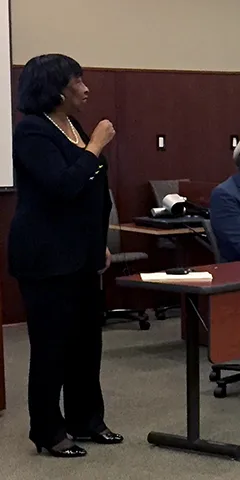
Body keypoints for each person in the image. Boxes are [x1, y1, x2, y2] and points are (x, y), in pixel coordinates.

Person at [8, 54, 123, 458]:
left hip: (82, 254)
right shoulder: (32, 132)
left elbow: (90, 194)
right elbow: (62, 186)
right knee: (51, 346)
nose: (86, 88)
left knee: (86, 343)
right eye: (78, 80)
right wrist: (95, 146)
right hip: (45, 257)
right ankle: (48, 431)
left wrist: (99, 243)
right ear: (56, 88)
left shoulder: (72, 126)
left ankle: (86, 420)